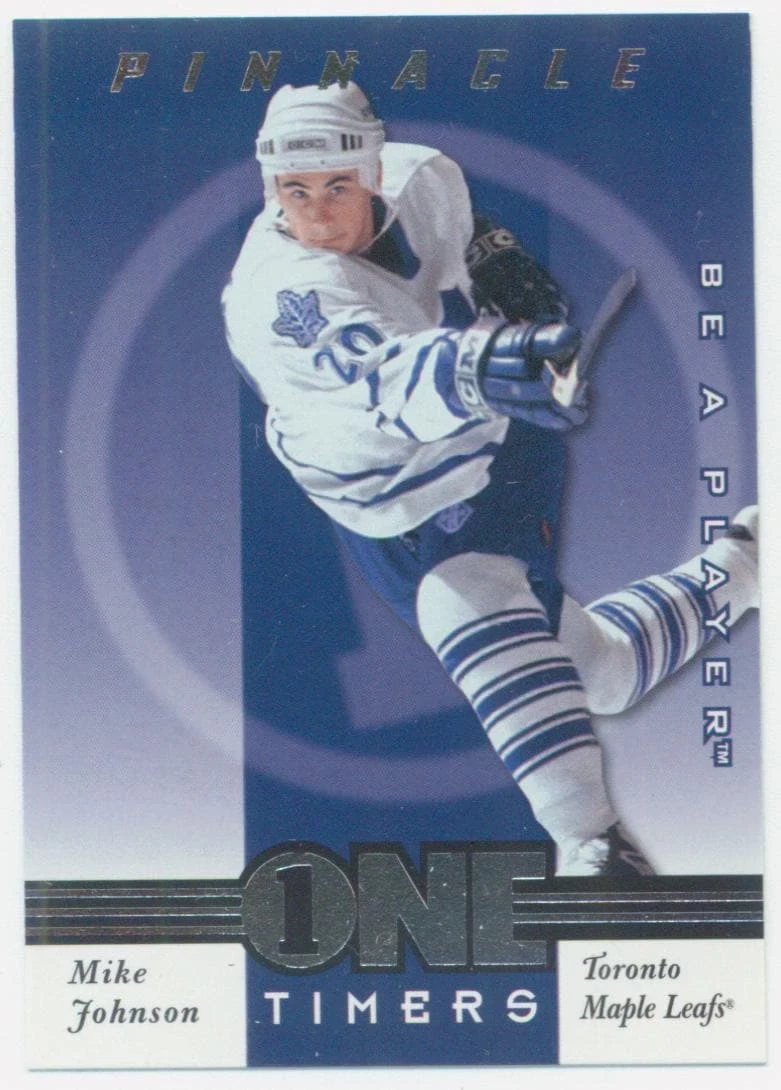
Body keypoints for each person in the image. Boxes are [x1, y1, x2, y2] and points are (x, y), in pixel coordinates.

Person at [222, 82, 758, 875]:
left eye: (337, 187)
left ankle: (591, 843)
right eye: (296, 192)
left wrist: (491, 253)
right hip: (393, 492)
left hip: (482, 458)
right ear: (272, 188)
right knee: (600, 672)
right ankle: (748, 561)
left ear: (371, 172)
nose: (320, 215)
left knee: (463, 598)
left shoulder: (419, 175)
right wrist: (479, 365)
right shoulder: (278, 293)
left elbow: (457, 223)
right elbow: (382, 377)